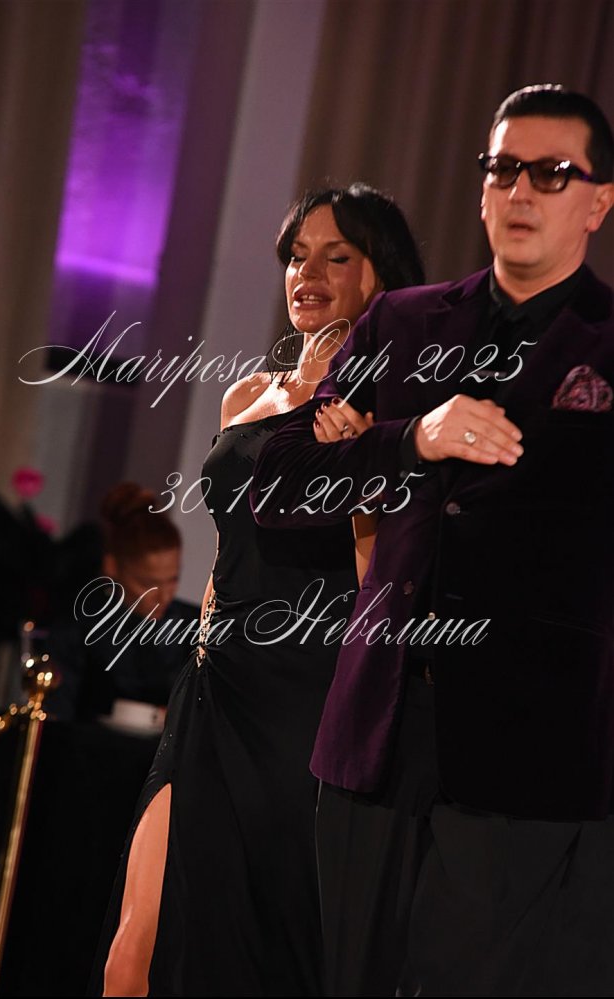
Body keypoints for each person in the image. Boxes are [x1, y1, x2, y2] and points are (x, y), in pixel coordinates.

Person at [252, 85, 614, 997]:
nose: (521, 191)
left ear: (598, 202)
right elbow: (277, 479)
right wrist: (411, 437)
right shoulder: (405, 321)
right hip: (376, 735)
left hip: (531, 750)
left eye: (552, 173)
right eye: (503, 169)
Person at [92, 185, 425, 997]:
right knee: (132, 953)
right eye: (296, 256)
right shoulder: (248, 394)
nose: (307, 274)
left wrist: (366, 467)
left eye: (336, 256)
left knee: (257, 954)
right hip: (213, 684)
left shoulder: (390, 408)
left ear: (380, 274)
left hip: (304, 699)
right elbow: (225, 549)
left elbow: (383, 576)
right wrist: (201, 648)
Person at [45, 481, 199, 727]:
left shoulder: (195, 628)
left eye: (172, 580)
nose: (163, 596)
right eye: (147, 583)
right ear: (112, 566)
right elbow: (56, 720)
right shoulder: (79, 629)